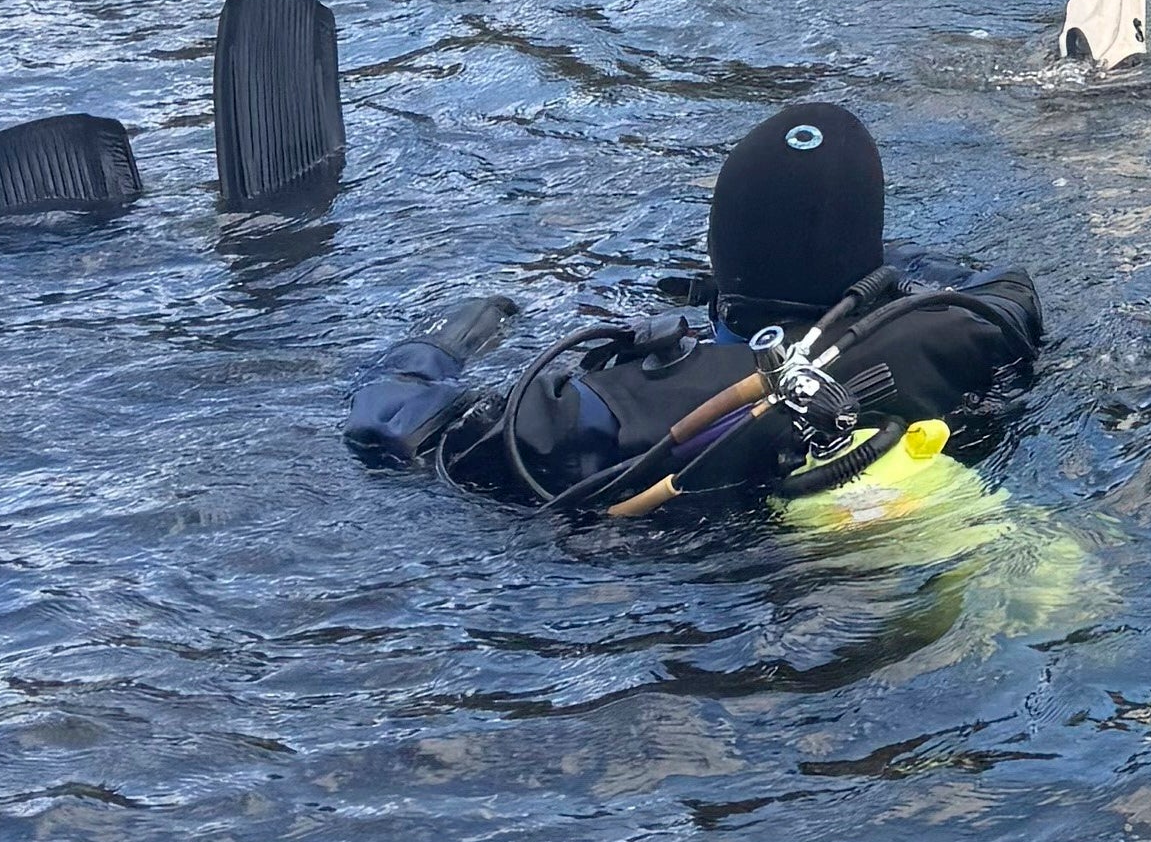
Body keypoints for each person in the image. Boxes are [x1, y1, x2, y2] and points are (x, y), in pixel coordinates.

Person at [345, 95, 1041, 524]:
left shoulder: (599, 410)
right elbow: (1000, 284)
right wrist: (862, 261)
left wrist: (437, 347)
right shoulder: (967, 330)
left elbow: (394, 431)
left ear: (720, 247)